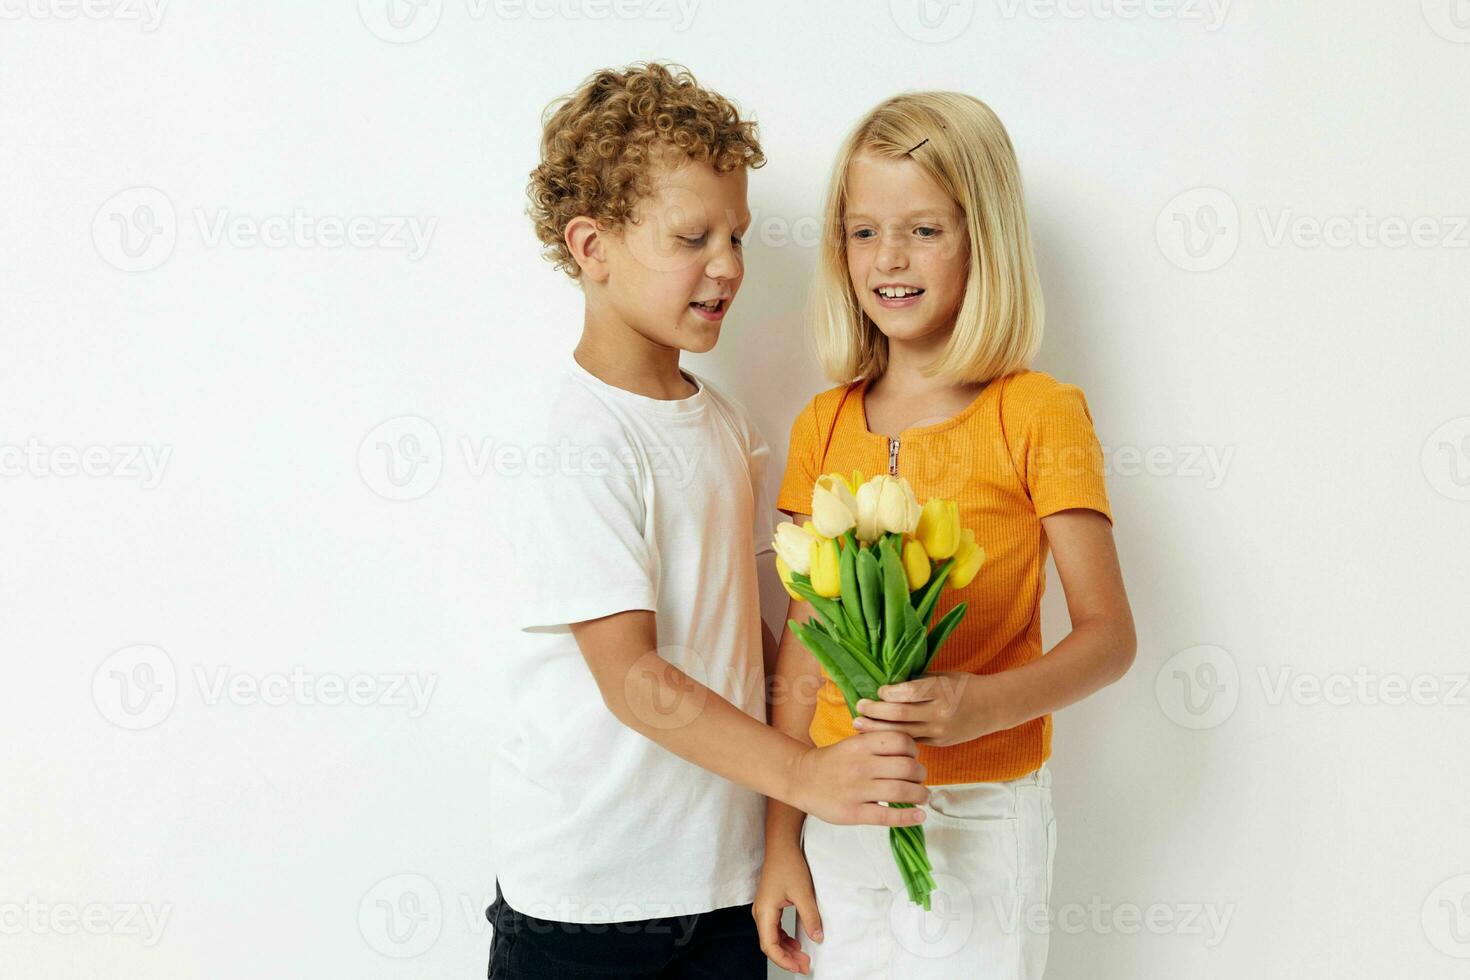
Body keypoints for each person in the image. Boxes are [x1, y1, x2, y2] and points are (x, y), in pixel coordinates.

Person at [488, 63, 932, 979]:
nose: (728, 264)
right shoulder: (577, 438)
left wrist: (779, 841)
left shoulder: (725, 424)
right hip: (589, 906)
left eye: (738, 236)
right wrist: (804, 775)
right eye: (693, 237)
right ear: (591, 245)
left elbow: (761, 642)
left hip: (723, 889)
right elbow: (636, 681)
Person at [754, 91, 1138, 978]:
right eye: (863, 231)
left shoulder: (1038, 412)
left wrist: (983, 706)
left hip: (982, 814)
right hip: (838, 813)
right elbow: (801, 662)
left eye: (925, 230)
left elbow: (1110, 637)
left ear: (984, 239)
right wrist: (783, 839)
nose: (890, 257)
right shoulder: (822, 423)